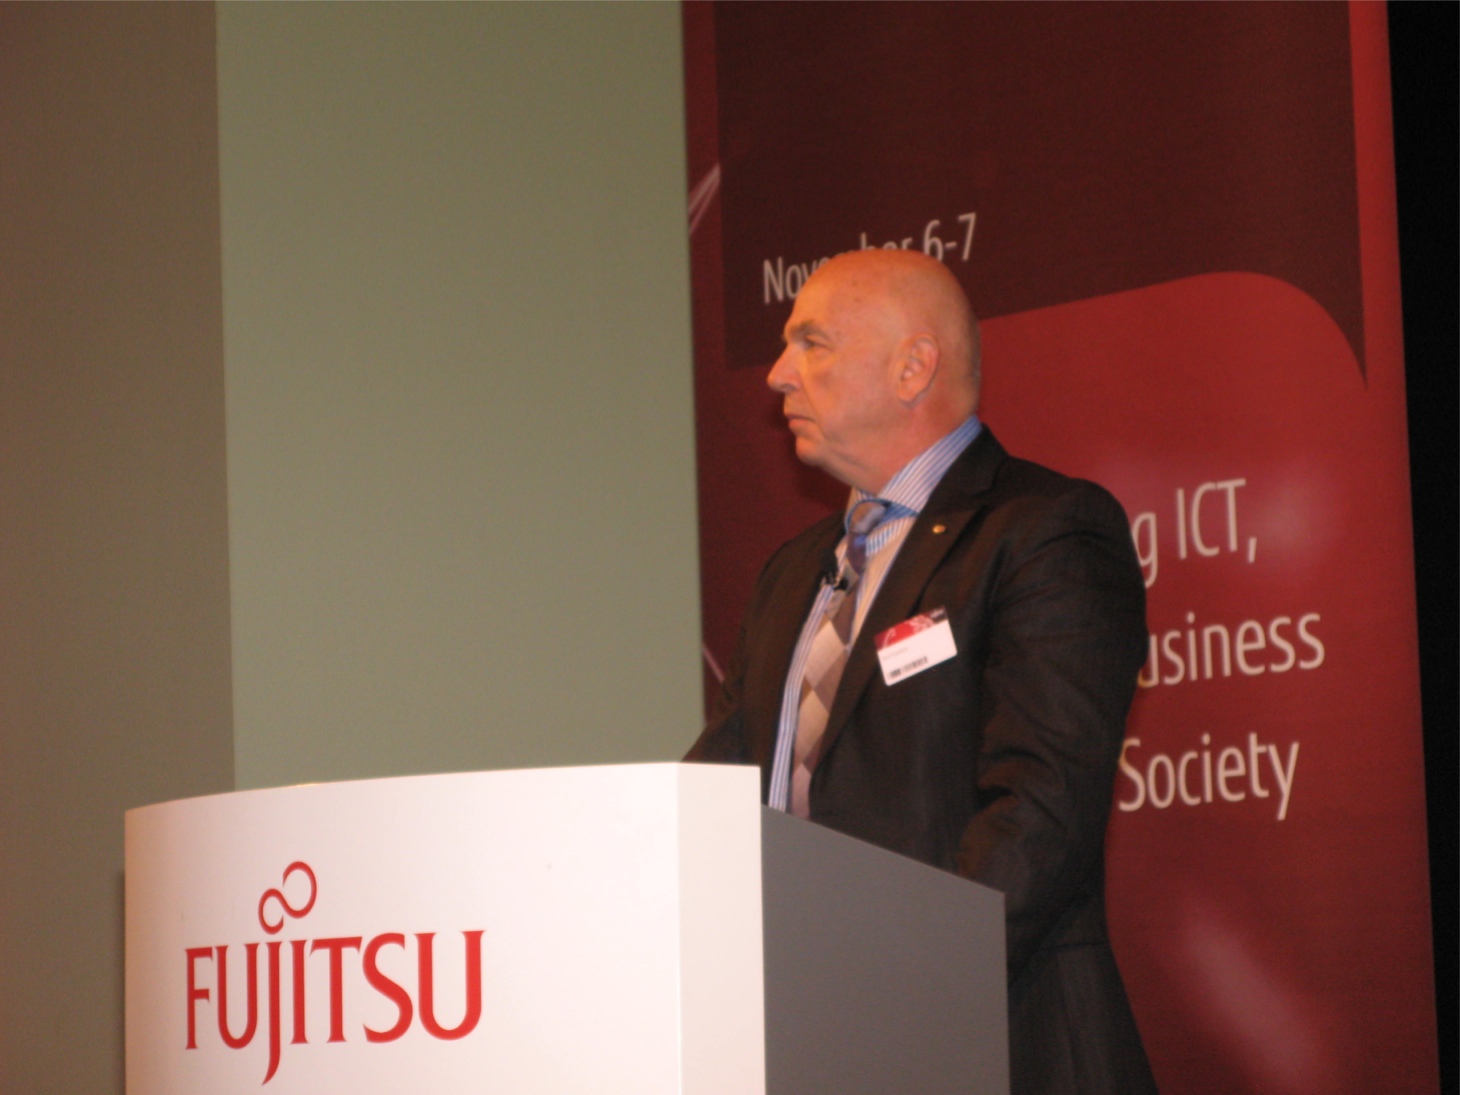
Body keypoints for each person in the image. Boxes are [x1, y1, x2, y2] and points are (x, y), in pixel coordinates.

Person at [685, 249, 1158, 1094]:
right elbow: (719, 790)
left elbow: (1039, 812)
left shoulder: (1042, 532)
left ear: (913, 368)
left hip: (992, 1043)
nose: (777, 374)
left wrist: (894, 997)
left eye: (811, 344)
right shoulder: (794, 570)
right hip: (804, 1045)